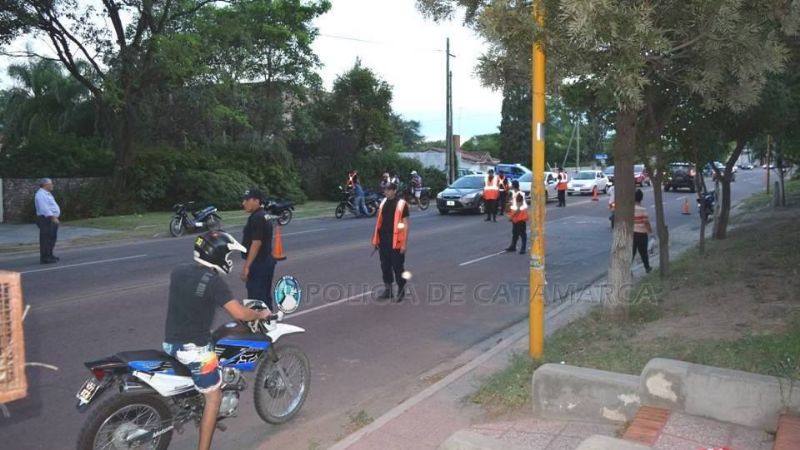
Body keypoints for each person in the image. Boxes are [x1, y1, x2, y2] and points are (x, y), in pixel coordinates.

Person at [163, 230, 270, 450]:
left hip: (171, 344)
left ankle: (194, 402)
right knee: (214, 397)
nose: (229, 261)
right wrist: (260, 315)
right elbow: (239, 314)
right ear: (218, 256)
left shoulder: (179, 270)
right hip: (194, 351)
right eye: (228, 256)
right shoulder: (213, 282)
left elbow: (192, 300)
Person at [372, 182, 410, 302]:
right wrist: (376, 240)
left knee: (398, 266)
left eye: (388, 190)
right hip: (383, 240)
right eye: (385, 190)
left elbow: (406, 225)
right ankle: (388, 290)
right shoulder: (382, 203)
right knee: (385, 266)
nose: (386, 192)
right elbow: (379, 222)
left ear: (394, 191)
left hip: (396, 241)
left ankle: (401, 289)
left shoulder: (401, 204)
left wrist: (404, 243)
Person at [241, 188, 277, 310]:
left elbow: (256, 243)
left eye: (247, 200)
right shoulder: (264, 215)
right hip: (266, 261)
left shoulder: (256, 217)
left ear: (256, 201)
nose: (243, 203)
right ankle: (269, 322)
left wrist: (247, 266)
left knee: (256, 300)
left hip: (259, 263)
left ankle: (260, 325)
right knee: (264, 296)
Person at [34, 178, 61, 264]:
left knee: (51, 238)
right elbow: (44, 208)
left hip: (50, 218)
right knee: (46, 239)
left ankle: (50, 255)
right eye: (51, 183)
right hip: (46, 219)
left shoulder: (47, 194)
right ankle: (45, 258)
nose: (52, 185)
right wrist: (53, 218)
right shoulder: (41, 194)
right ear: (45, 185)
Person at [504, 180, 528, 254]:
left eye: (511, 185)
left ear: (514, 186)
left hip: (520, 216)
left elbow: (518, 207)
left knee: (522, 232)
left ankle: (523, 248)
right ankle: (513, 246)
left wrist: (511, 216)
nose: (510, 186)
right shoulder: (514, 193)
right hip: (516, 216)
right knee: (515, 232)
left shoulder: (519, 195)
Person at [633, 189, 653, 273]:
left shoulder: (629, 209)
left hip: (632, 234)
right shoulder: (642, 210)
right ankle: (647, 267)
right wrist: (650, 231)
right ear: (641, 198)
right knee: (643, 252)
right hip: (642, 234)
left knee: (631, 253)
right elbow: (646, 222)